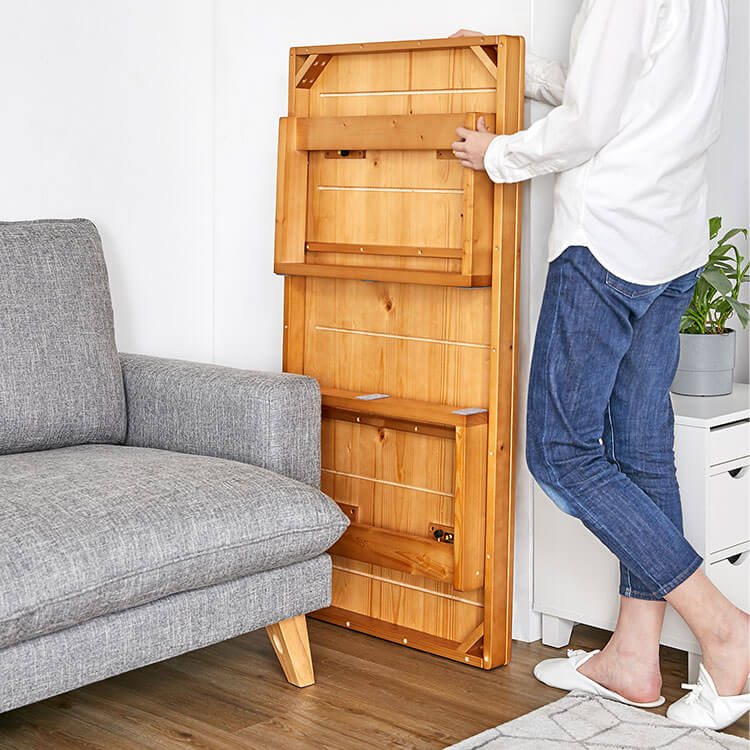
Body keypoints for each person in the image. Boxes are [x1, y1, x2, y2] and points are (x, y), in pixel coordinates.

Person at [451, 0, 750, 732]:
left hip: (607, 242)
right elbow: (629, 91)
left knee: (560, 451)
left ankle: (724, 629)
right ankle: (633, 658)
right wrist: (519, 66)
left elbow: (590, 124)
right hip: (671, 241)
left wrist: (498, 156)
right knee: (643, 451)